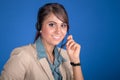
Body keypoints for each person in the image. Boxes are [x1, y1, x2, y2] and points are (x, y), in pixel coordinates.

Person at [0, 3, 84, 80]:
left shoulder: (66, 55)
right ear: (39, 27)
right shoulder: (22, 56)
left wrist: (75, 61)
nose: (58, 31)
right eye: (52, 24)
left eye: (63, 25)